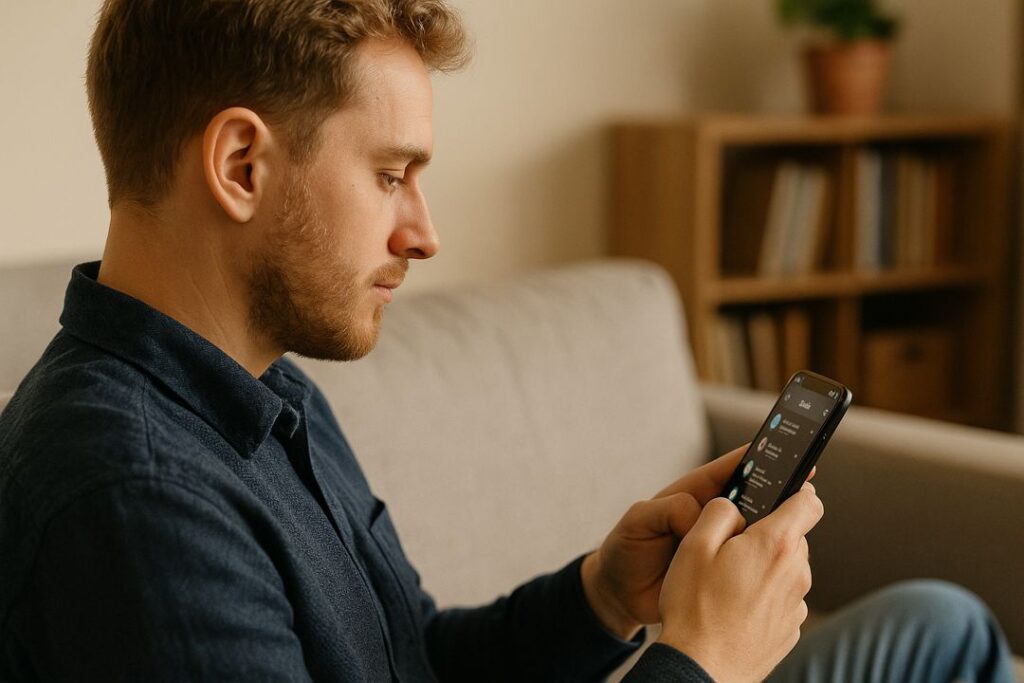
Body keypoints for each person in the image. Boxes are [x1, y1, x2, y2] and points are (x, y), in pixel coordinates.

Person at [0, 1, 1013, 681]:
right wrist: (701, 659)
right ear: (240, 164)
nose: (424, 232)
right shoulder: (133, 497)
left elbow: (416, 658)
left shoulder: (262, 391)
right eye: (392, 173)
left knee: (941, 620)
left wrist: (603, 593)